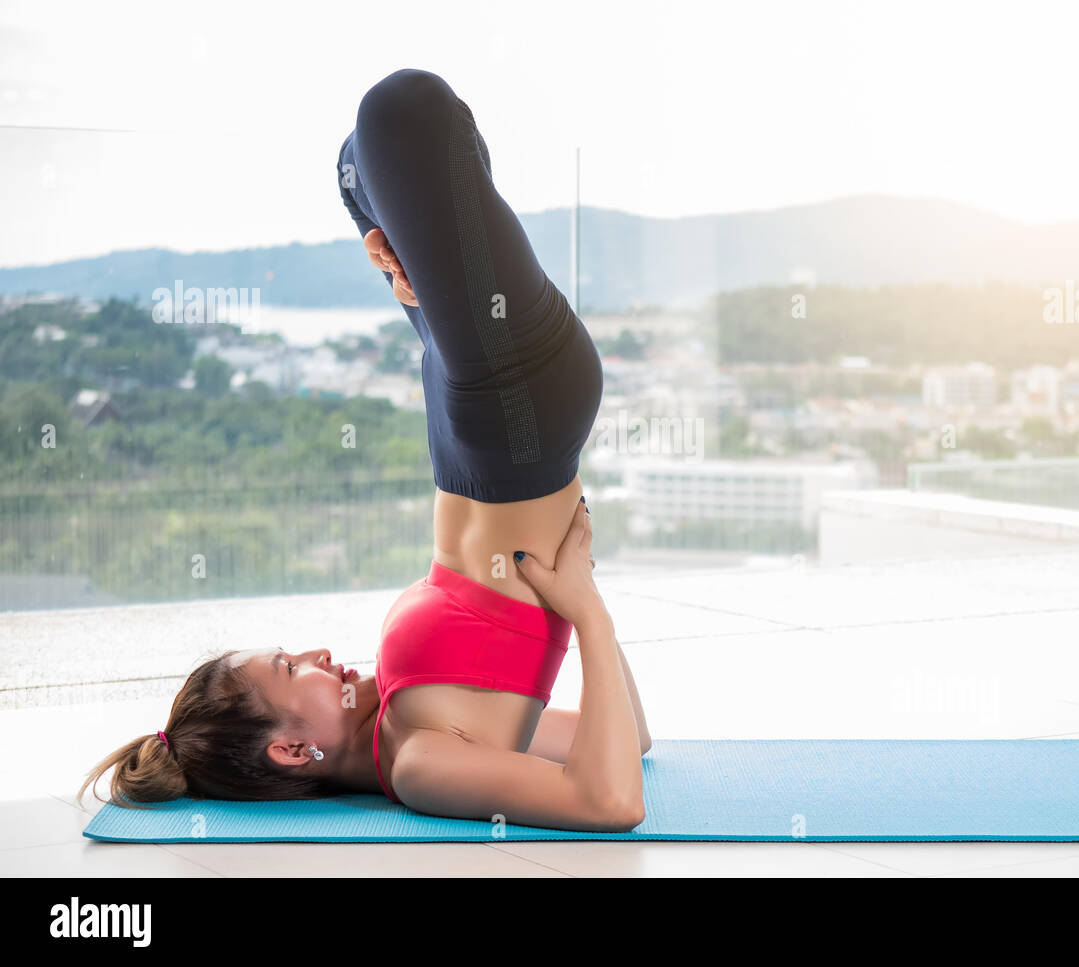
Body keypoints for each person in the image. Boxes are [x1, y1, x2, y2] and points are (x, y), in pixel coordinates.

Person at [78, 69, 651, 833]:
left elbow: (627, 740)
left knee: (356, 172)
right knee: (400, 113)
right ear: (290, 750)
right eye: (292, 670)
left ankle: (428, 282)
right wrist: (588, 611)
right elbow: (611, 795)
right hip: (518, 421)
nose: (317, 652)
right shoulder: (418, 762)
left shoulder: (388, 704)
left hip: (460, 427)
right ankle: (439, 275)